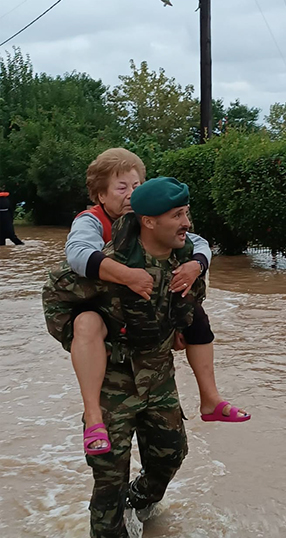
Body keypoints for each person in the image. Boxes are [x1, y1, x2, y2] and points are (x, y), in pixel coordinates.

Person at [43, 177, 202, 537]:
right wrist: (82, 336)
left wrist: (179, 327)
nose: (186, 223)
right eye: (177, 215)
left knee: (171, 456)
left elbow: (193, 303)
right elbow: (54, 294)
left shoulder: (187, 264)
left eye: (186, 214)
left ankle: (140, 502)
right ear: (149, 221)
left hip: (160, 380)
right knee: (109, 479)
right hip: (112, 384)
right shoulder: (111, 267)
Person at [65, 149, 248, 456]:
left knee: (197, 316)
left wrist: (195, 265)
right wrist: (127, 275)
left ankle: (210, 398)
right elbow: (78, 254)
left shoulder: (148, 219)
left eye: (136, 186)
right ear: (100, 195)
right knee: (87, 323)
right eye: (121, 187)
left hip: (147, 323)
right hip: (103, 309)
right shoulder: (91, 221)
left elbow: (198, 244)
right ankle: (94, 416)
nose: (130, 194)